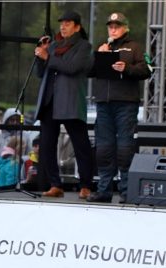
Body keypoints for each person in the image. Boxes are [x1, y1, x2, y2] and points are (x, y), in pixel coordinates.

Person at [88, 12, 152, 203]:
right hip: (104, 104)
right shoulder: (103, 46)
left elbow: (147, 70)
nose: (113, 29)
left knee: (125, 149)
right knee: (103, 149)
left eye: (117, 26)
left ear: (125, 28)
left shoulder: (135, 47)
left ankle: (126, 191)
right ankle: (104, 191)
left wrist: (127, 68)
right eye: (110, 26)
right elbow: (88, 71)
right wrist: (98, 56)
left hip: (126, 104)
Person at [34, 11, 95, 199]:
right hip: (50, 100)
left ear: (77, 26)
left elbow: (72, 67)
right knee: (47, 144)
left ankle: (86, 185)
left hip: (70, 100)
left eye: (67, 23)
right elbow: (40, 73)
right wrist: (40, 56)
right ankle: (55, 184)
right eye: (61, 23)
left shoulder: (83, 46)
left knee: (80, 144)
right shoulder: (53, 46)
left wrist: (48, 57)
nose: (63, 26)